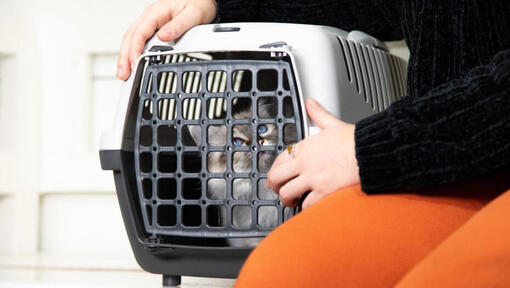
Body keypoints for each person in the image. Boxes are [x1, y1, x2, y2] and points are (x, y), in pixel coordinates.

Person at [117, 0, 510, 286]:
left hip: (469, 160)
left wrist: (372, 147)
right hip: (436, 170)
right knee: (278, 276)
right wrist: (219, 5)